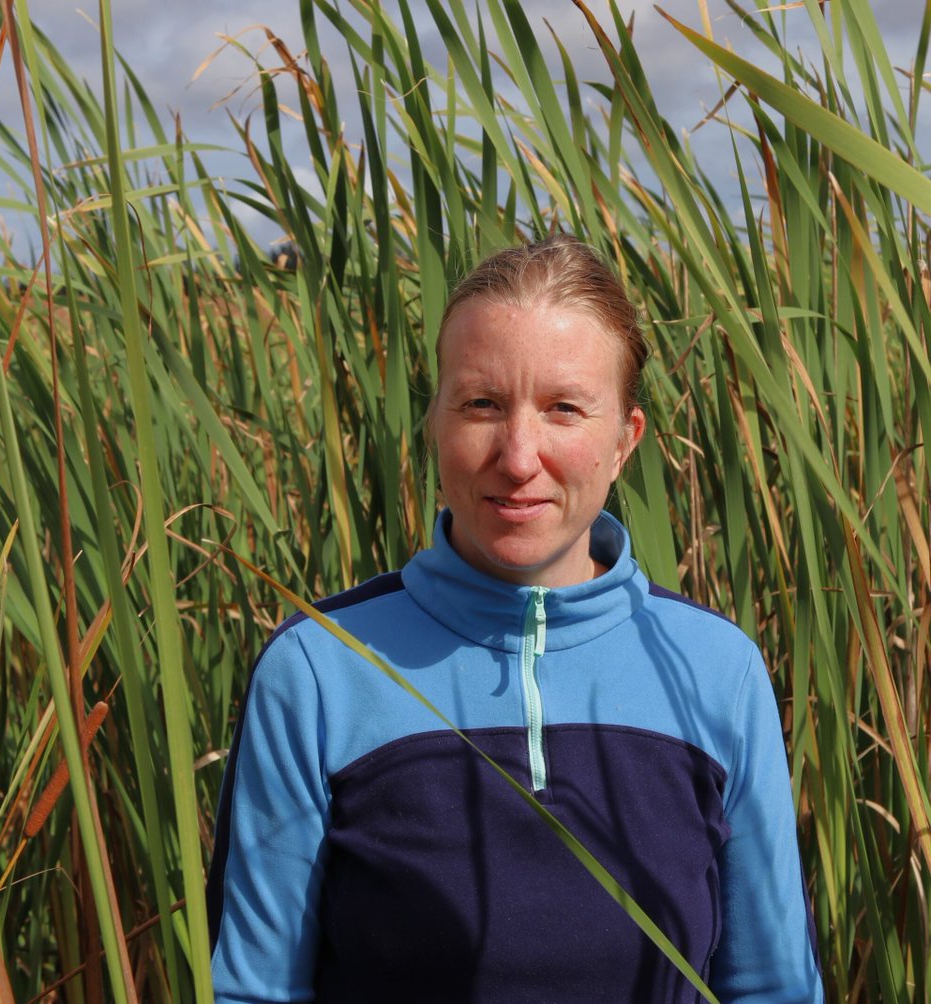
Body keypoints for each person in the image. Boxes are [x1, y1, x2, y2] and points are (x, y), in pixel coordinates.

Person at [206, 234, 823, 1002]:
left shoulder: (716, 670)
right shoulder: (320, 668)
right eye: (482, 404)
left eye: (564, 408)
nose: (519, 454)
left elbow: (772, 987)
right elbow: (255, 991)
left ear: (624, 441)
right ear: (434, 422)